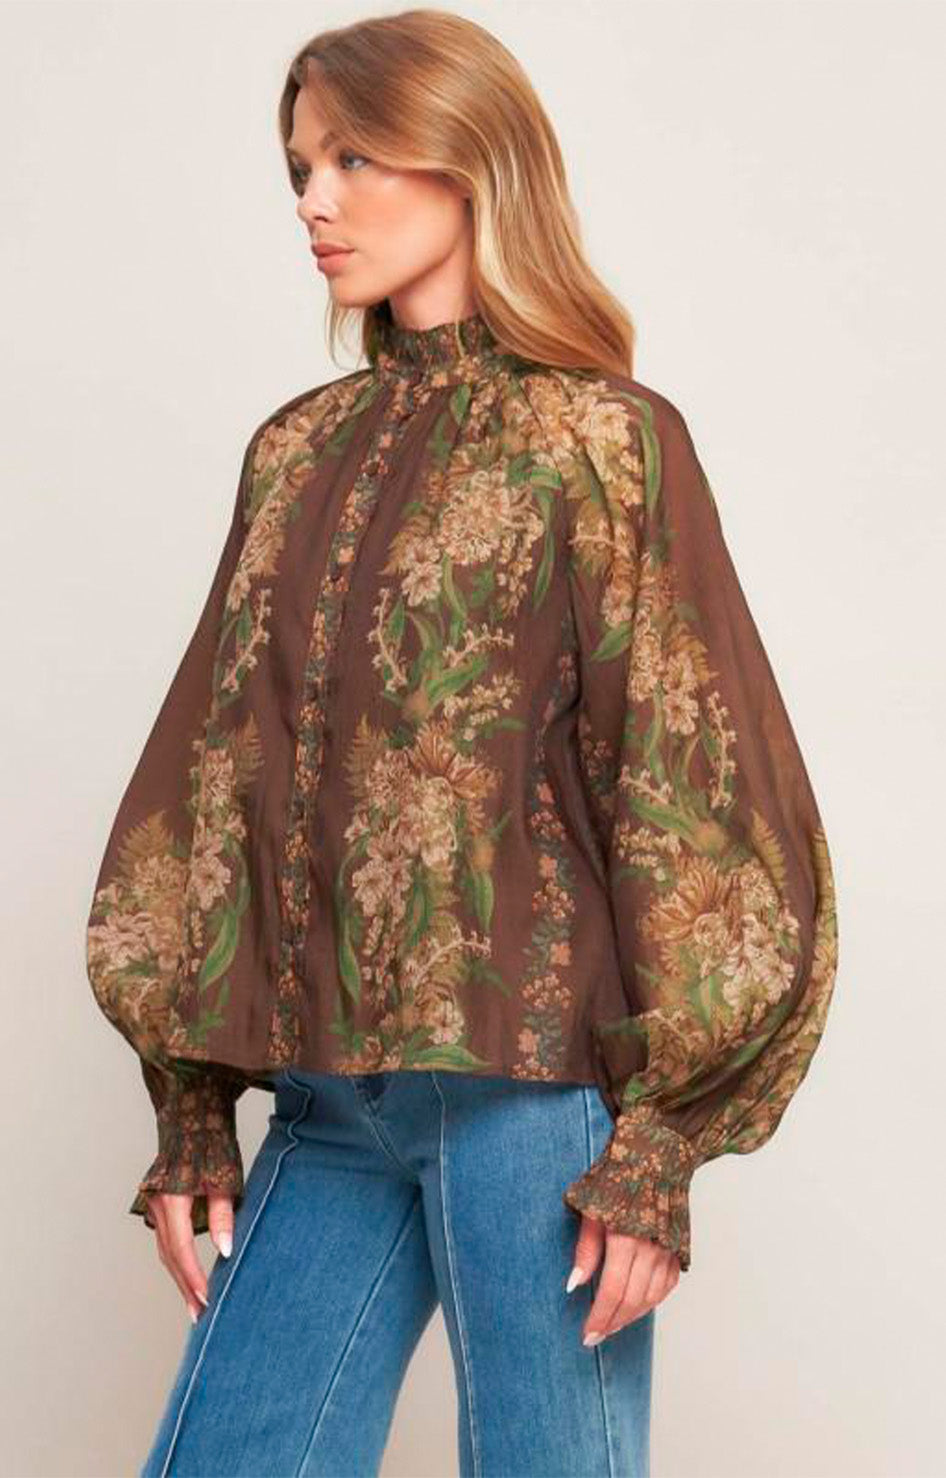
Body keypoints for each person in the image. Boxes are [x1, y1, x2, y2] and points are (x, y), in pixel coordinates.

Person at [85, 9, 839, 1477]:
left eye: (353, 158)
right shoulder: (294, 451)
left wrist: (658, 1145)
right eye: (300, 166)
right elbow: (215, 768)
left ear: (468, 157)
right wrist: (190, 1103)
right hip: (327, 1097)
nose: (313, 200)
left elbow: (691, 785)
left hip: (532, 1107)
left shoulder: (606, 443)